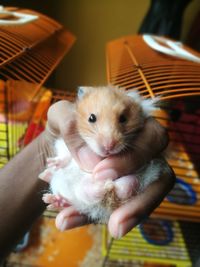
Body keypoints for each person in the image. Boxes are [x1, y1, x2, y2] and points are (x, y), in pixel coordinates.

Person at [0, 100, 175, 260]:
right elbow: (64, 149)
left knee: (126, 184)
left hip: (117, 184)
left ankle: (115, 189)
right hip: (88, 187)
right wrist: (61, 158)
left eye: (121, 119)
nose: (108, 142)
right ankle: (95, 192)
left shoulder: (134, 124)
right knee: (83, 190)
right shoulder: (77, 130)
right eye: (93, 118)